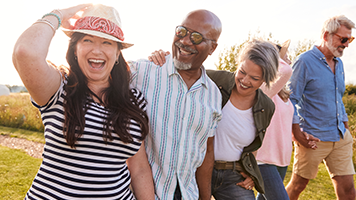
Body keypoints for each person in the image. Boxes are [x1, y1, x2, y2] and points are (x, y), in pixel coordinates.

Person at [13, 4, 154, 199]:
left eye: (107, 42)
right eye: (88, 40)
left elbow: (138, 168)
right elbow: (25, 52)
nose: (97, 50)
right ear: (75, 49)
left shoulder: (133, 100)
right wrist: (59, 14)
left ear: (117, 54)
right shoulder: (58, 88)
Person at [149, 39, 279, 200]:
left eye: (254, 78)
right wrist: (163, 57)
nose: (245, 81)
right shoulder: (214, 81)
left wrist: (251, 172)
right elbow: (181, 71)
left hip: (232, 176)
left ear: (265, 79)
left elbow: (254, 145)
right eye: (242, 72)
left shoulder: (266, 106)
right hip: (195, 169)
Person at [129, 9, 223, 200]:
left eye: (196, 37)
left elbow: (206, 152)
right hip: (138, 193)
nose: (186, 41)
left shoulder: (213, 94)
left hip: (186, 194)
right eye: (181, 31)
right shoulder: (142, 72)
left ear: (212, 48)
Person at [285, 15, 356, 200]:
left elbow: (337, 99)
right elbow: (290, 99)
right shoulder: (304, 62)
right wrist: (296, 133)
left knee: (348, 188)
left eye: (349, 39)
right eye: (343, 39)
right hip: (313, 137)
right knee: (298, 185)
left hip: (339, 136)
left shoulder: (339, 64)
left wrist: (346, 126)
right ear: (327, 35)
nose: (347, 44)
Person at [255, 40, 293, 200]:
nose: (289, 60)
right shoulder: (263, 90)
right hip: (264, 159)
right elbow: (286, 70)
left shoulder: (281, 93)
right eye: (285, 57)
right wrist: (272, 55)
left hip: (282, 159)